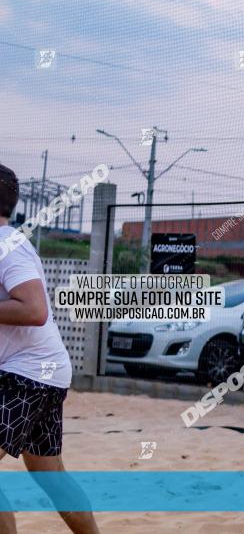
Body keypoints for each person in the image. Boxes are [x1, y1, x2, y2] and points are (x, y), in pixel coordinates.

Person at [0, 163, 100, 534]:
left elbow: (35, 309)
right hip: (39, 370)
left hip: (30, 373)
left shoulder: (6, 246)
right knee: (51, 476)